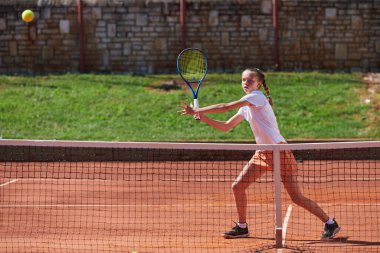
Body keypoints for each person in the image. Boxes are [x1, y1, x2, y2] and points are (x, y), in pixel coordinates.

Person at [178, 68, 340, 240]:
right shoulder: (246, 107)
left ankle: (330, 223)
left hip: (279, 151)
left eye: (249, 80)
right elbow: (226, 127)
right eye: (243, 80)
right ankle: (242, 227)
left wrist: (198, 110)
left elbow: (225, 107)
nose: (245, 83)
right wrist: (204, 118)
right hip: (262, 153)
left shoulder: (257, 97)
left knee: (296, 198)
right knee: (237, 186)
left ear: (259, 84)